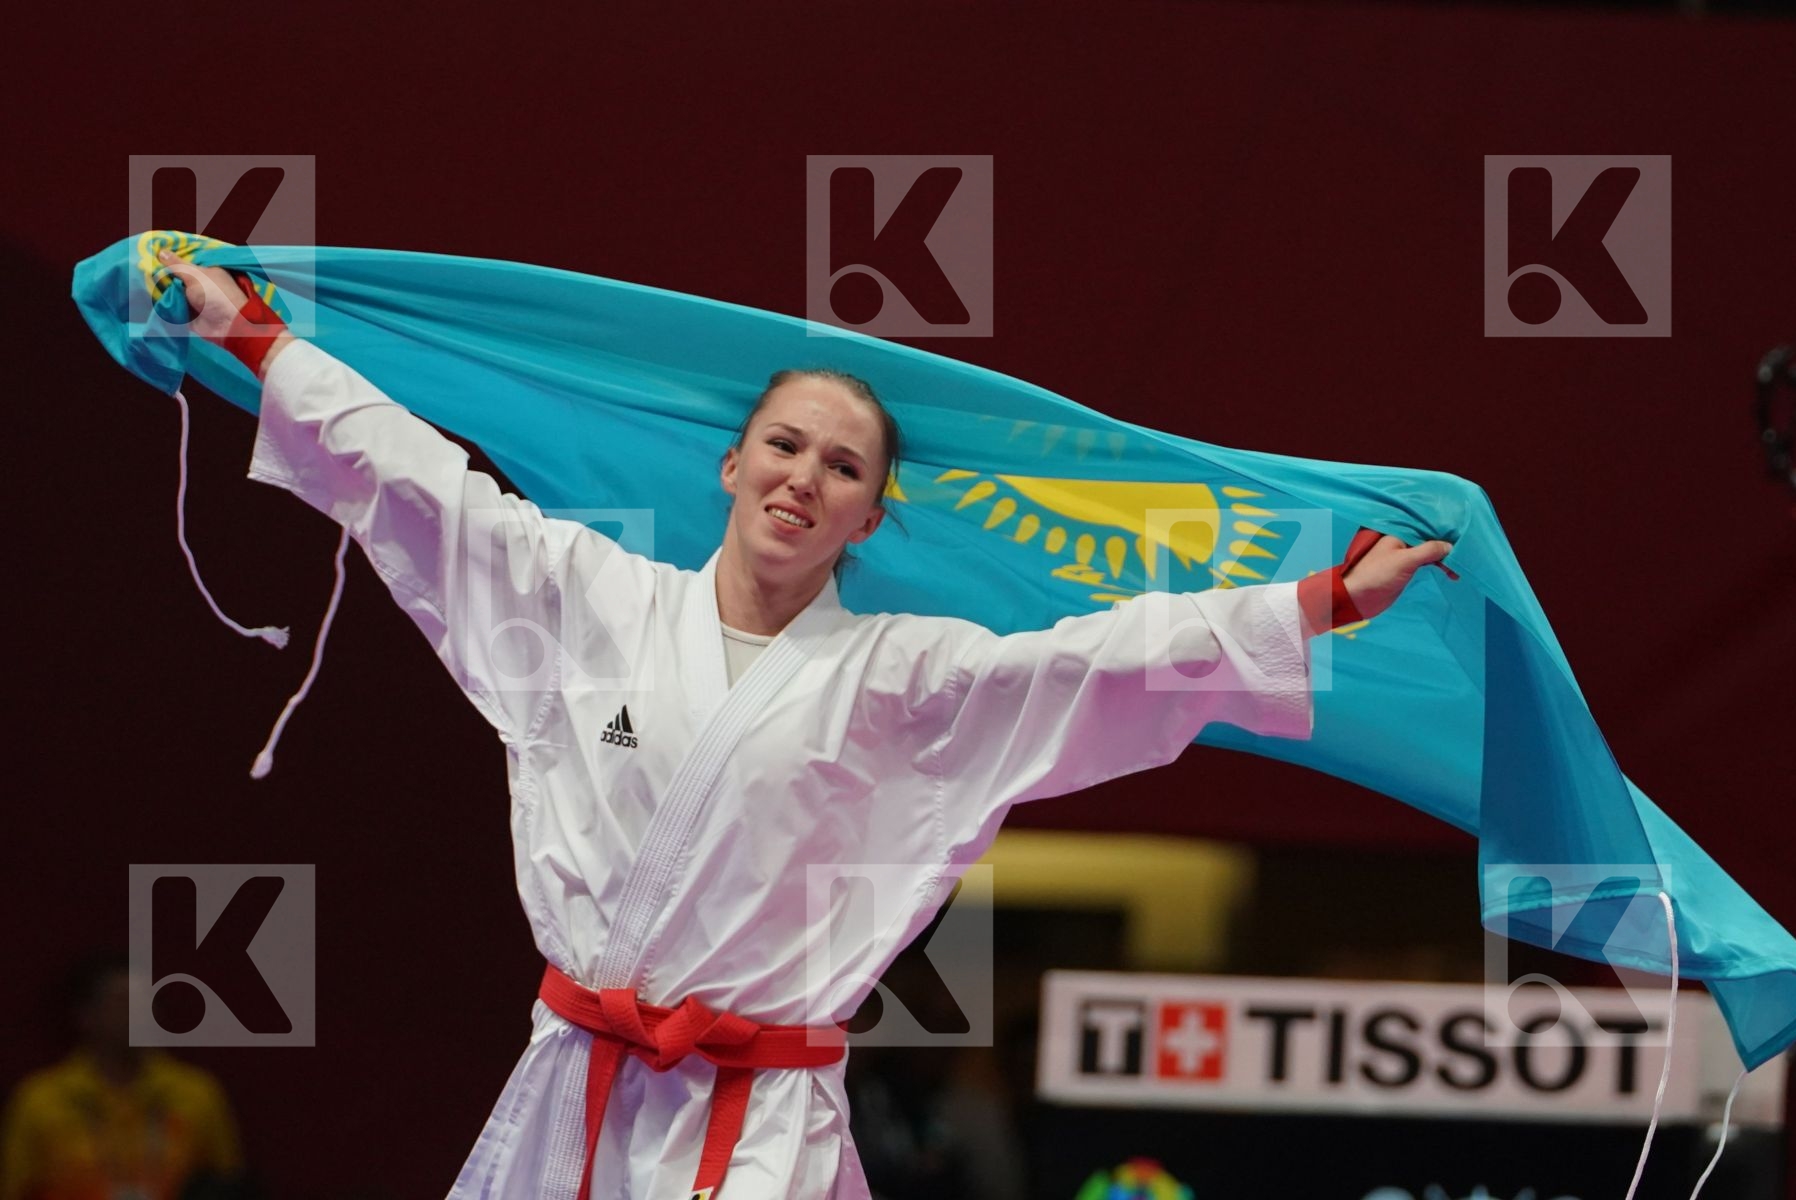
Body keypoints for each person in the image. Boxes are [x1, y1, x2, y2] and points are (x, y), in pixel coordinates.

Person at [153, 250, 1451, 1200]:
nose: (805, 477)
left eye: (844, 467)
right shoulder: (589, 601)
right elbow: (421, 485)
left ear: (870, 520)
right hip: (574, 1092)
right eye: (785, 445)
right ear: (731, 466)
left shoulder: (904, 681)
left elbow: (1104, 660)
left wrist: (1327, 599)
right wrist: (258, 338)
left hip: (760, 1127)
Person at [0, 951, 245, 1200]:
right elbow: (12, 1188)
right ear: (86, 1015)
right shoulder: (41, 1099)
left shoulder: (197, 1093)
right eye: (123, 1002)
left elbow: (226, 1187)